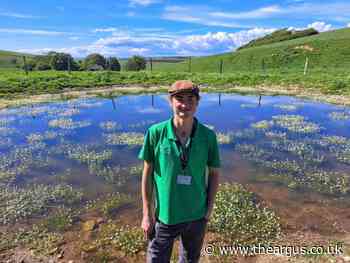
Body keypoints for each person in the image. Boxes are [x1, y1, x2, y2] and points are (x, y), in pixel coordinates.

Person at [139, 80, 221, 263]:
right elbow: (147, 175)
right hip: (164, 217)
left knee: (190, 260)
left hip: (196, 216)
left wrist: (208, 209)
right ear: (170, 101)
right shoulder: (155, 133)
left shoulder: (208, 136)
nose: (185, 105)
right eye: (179, 99)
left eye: (191, 99)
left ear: (198, 102)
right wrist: (146, 214)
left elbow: (214, 174)